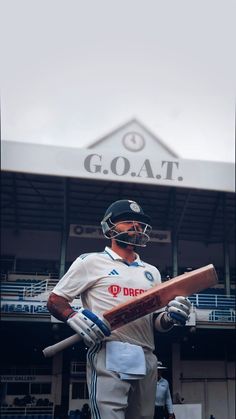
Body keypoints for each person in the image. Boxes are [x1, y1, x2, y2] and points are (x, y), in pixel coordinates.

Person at [47, 199, 191, 419]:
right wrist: (72, 316)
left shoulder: (152, 271)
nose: (136, 227)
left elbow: (155, 322)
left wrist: (169, 317)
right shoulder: (90, 262)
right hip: (108, 350)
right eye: (128, 221)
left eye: (140, 223)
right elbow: (56, 300)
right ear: (109, 227)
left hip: (146, 355)